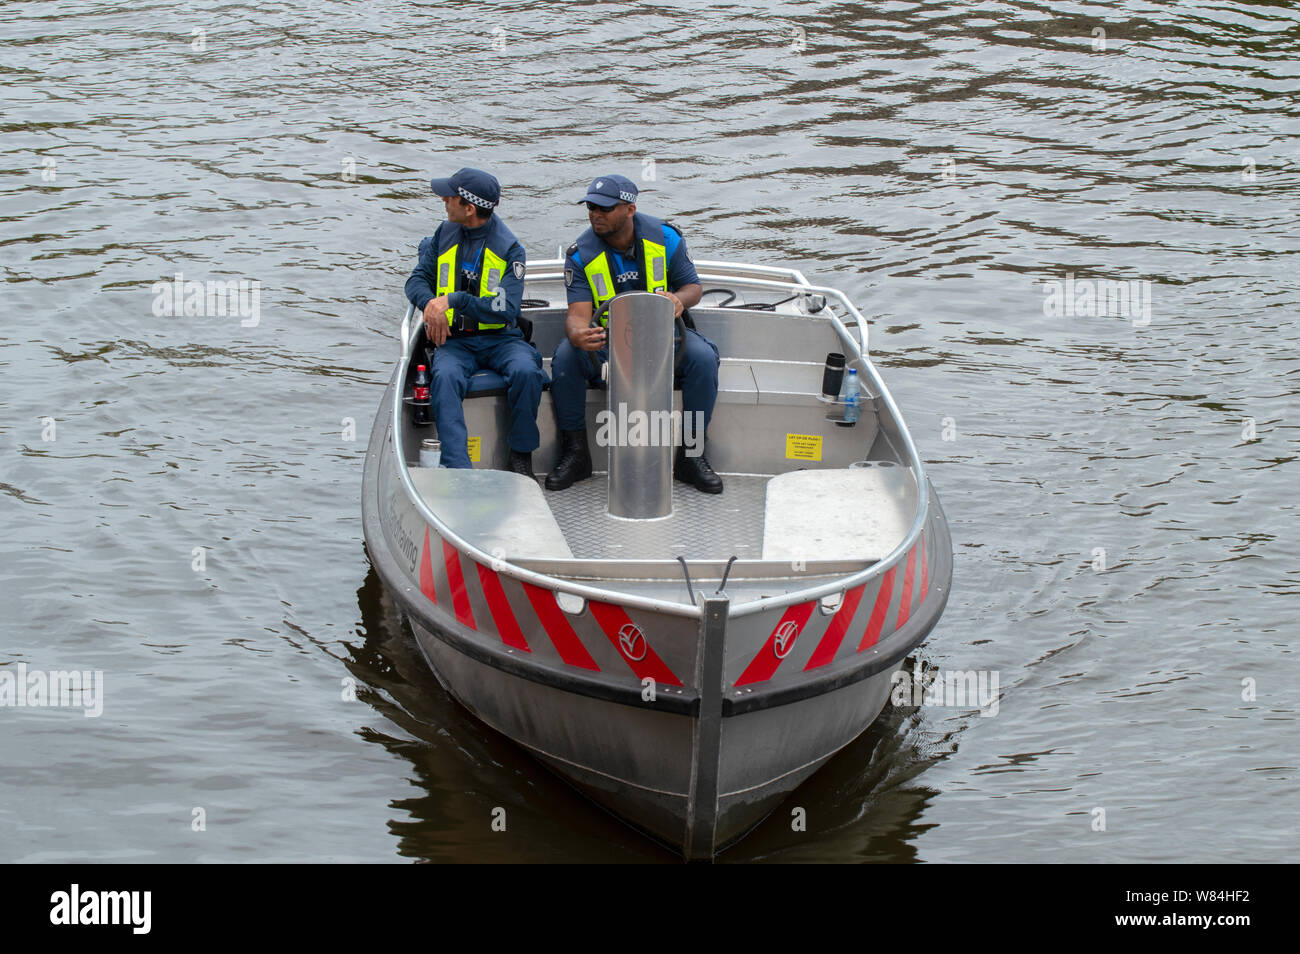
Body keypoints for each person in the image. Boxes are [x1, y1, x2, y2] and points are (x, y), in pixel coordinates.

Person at [545, 175, 723, 494]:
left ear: (629, 209)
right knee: (565, 358)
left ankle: (691, 456)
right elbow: (577, 317)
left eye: (604, 208)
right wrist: (578, 335)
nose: (594, 214)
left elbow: (693, 288)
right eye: (590, 207)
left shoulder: (666, 238)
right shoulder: (580, 254)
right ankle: (575, 454)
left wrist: (678, 300)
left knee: (703, 359)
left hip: (663, 337)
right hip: (608, 342)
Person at [404, 167, 544, 475]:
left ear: (469, 208)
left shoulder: (510, 249)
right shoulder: (444, 234)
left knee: (526, 372)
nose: (443, 200)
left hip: (502, 340)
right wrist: (431, 305)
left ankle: (520, 457)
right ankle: (458, 470)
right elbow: (415, 281)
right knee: (445, 379)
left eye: (450, 197)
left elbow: (505, 309)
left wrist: (453, 300)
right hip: (455, 341)